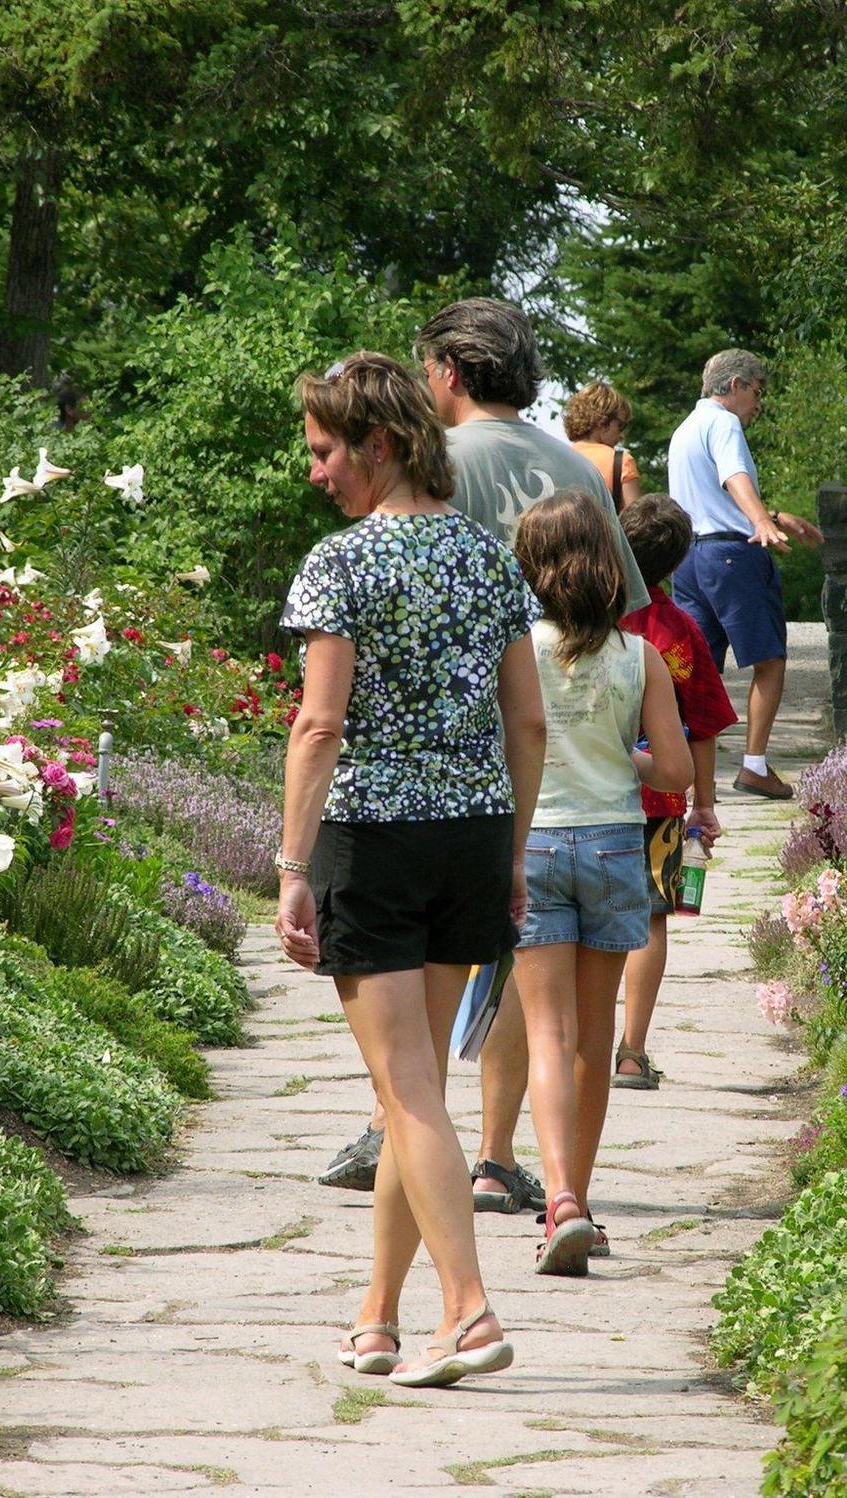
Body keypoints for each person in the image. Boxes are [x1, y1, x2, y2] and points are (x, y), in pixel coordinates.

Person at [317, 299, 645, 1205]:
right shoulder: (569, 460)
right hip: (555, 732)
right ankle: (497, 1152)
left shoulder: (437, 464)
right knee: (509, 953)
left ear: (450, 372)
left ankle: (400, 1126)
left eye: (430, 367)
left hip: (438, 745)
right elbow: (628, 602)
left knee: (414, 960)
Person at [276, 351, 545, 1388]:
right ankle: (377, 1315)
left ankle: (468, 1310)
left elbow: (318, 724)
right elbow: (525, 719)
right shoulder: (488, 558)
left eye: (324, 450)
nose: (315, 473)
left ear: (379, 445)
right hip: (473, 835)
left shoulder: (339, 564)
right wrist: (512, 854)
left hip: (375, 843)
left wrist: (292, 866)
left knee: (409, 1096)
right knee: (414, 1090)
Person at [510, 491, 692, 1272]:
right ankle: (580, 1199)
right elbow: (677, 771)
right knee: (594, 1038)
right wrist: (627, 757)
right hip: (618, 846)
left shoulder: (515, 650)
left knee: (544, 1036)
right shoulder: (639, 656)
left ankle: (558, 1203)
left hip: (537, 846)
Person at [613, 493, 736, 1089]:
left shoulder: (582, 620)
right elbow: (705, 726)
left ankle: (557, 1046)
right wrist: (705, 805)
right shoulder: (679, 631)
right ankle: (632, 1052)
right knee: (650, 920)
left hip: (581, 799)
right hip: (659, 804)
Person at [666, 349, 823, 799]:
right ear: (734, 385)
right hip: (732, 558)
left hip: (690, 560)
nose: (759, 403)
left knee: (698, 670)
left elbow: (709, 497)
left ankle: (693, 780)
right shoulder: (724, 422)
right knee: (769, 660)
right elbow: (735, 477)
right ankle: (754, 766)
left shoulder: (685, 430)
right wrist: (760, 522)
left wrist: (772, 514)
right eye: (757, 392)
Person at [564, 382, 644, 510]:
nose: (622, 435)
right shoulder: (620, 462)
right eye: (620, 426)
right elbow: (638, 524)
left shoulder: (558, 458)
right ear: (603, 421)